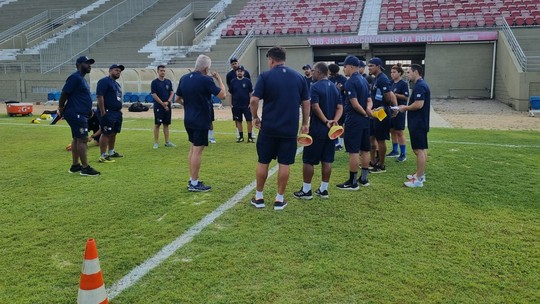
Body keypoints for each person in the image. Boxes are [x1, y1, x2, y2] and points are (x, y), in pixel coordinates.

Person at [249, 46, 310, 210]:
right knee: (285, 164)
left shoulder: (265, 76)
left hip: (268, 128)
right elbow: (306, 102)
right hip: (289, 129)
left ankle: (259, 197)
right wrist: (305, 123)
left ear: (271, 59)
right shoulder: (299, 77)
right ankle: (279, 199)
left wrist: (255, 117)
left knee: (263, 162)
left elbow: (254, 100)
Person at [175, 54, 226, 192]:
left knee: (192, 149)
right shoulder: (206, 79)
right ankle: (194, 183)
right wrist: (219, 79)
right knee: (197, 151)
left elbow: (177, 99)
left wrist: (188, 105)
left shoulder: (184, 78)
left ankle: (193, 179)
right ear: (206, 68)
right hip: (201, 119)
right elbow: (223, 95)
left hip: (189, 119)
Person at [293, 62, 342, 199]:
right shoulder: (334, 87)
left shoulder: (314, 86)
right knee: (327, 160)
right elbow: (340, 107)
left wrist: (326, 121)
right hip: (331, 131)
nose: (312, 72)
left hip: (318, 129)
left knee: (308, 160)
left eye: (313, 70)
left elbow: (315, 106)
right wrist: (334, 121)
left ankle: (307, 190)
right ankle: (323, 189)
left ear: (319, 72)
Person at [57, 56, 100, 176]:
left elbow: (81, 97)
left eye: (90, 63)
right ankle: (85, 168)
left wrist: (89, 110)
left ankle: (75, 165)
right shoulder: (75, 77)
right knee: (83, 139)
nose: (89, 65)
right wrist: (60, 108)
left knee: (77, 138)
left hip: (80, 113)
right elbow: (64, 93)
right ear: (79, 64)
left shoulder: (81, 79)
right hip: (76, 114)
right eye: (87, 63)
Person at [336, 55, 372, 190]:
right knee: (365, 149)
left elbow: (355, 104)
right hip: (364, 120)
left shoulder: (350, 82)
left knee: (353, 151)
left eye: (344, 66)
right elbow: (369, 100)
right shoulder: (363, 80)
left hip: (355, 119)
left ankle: (352, 182)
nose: (343, 69)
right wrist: (368, 112)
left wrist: (363, 112)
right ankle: (364, 178)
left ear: (351, 66)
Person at [398, 64, 430, 188]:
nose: (407, 74)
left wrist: (404, 108)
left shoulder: (420, 86)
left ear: (416, 72)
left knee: (418, 150)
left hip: (418, 122)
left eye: (408, 72)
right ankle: (420, 174)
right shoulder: (420, 85)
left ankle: (418, 179)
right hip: (419, 122)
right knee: (421, 149)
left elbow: (418, 105)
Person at [367, 57, 397, 173]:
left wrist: (385, 107)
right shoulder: (376, 78)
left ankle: (382, 165)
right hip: (375, 112)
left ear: (378, 66)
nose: (369, 68)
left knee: (380, 139)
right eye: (368, 66)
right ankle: (373, 161)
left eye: (371, 66)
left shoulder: (383, 79)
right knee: (371, 137)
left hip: (382, 113)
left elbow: (388, 96)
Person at [96, 64, 125, 163]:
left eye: (120, 71)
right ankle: (103, 155)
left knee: (114, 132)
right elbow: (100, 96)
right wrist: (103, 111)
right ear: (110, 70)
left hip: (116, 112)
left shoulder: (117, 84)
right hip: (108, 112)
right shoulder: (104, 81)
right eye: (116, 70)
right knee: (106, 132)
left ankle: (111, 152)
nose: (118, 72)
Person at [387, 63, 409, 162]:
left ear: (399, 73)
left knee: (399, 131)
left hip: (399, 110)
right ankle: (395, 150)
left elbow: (405, 97)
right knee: (392, 130)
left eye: (394, 72)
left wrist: (394, 95)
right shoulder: (390, 83)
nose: (392, 74)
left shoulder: (403, 84)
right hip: (390, 110)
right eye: (391, 72)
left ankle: (403, 153)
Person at [151, 65, 176, 149]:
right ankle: (156, 143)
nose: (163, 72)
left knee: (166, 124)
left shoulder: (168, 82)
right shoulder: (154, 82)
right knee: (157, 124)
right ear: (157, 71)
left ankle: (167, 142)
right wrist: (162, 103)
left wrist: (168, 102)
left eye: (164, 71)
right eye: (161, 70)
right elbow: (154, 95)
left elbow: (172, 92)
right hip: (159, 106)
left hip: (167, 106)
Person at [228, 65, 254, 143]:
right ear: (236, 72)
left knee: (249, 121)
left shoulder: (247, 81)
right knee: (238, 121)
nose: (239, 72)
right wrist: (230, 104)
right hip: (236, 105)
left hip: (247, 105)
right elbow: (230, 94)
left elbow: (250, 93)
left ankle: (250, 137)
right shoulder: (233, 81)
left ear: (244, 72)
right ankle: (241, 137)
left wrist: (251, 103)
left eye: (241, 71)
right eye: (238, 71)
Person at [328, 63, 347, 151]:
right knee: (334, 122)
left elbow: (344, 89)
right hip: (332, 104)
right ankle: (336, 142)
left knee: (341, 123)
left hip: (341, 104)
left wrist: (339, 89)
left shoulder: (342, 79)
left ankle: (341, 143)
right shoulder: (329, 79)